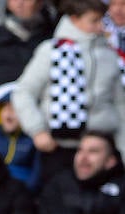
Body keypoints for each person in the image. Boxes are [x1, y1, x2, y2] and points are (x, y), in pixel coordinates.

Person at [11, 0, 125, 187]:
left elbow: (120, 104)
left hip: (102, 146)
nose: (99, 27)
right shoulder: (51, 50)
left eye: (101, 21)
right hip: (60, 145)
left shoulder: (109, 56)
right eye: (93, 21)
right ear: (75, 20)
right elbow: (24, 92)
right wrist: (37, 130)